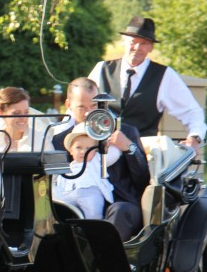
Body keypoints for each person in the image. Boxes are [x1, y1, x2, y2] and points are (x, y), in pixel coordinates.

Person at [87, 16, 207, 155]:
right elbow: (81, 105)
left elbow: (192, 111)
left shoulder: (164, 76)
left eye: (144, 43)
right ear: (124, 42)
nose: (137, 48)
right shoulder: (102, 69)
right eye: (133, 42)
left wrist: (195, 138)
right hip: (102, 152)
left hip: (142, 157)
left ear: (151, 47)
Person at [51, 77, 150, 240]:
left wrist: (128, 147)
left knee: (120, 212)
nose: (89, 113)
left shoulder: (126, 131)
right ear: (68, 105)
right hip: (76, 201)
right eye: (82, 107)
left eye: (94, 106)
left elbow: (143, 179)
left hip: (120, 202)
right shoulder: (60, 140)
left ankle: (105, 261)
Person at [52, 123, 114, 220]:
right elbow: (60, 182)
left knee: (93, 214)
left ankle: (93, 232)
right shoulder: (69, 167)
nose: (83, 152)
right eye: (78, 147)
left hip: (90, 191)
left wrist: (110, 144)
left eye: (88, 148)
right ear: (71, 151)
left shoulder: (97, 160)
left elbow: (114, 154)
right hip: (69, 193)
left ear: (95, 151)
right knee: (63, 212)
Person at [0, 87, 52, 153]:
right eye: (16, 113)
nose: (23, 118)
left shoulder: (42, 139)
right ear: (1, 113)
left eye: (26, 112)